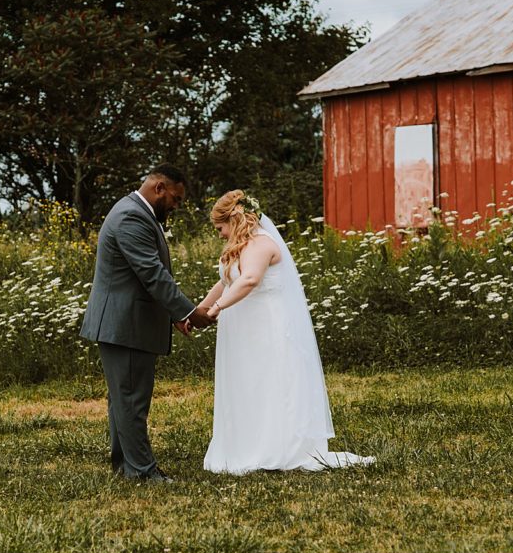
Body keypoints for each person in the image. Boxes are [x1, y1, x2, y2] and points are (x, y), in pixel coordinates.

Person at [198, 190, 375, 475]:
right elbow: (227, 282)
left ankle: (275, 446)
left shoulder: (262, 245)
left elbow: (250, 279)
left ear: (234, 219)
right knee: (247, 383)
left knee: (269, 381)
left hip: (266, 328)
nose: (219, 235)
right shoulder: (239, 248)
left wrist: (218, 308)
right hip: (243, 331)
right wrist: (199, 310)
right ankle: (246, 442)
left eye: (220, 228)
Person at [80, 164, 216, 482]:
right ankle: (142, 471)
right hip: (125, 324)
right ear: (159, 187)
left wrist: (172, 315)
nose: (176, 206)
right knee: (130, 400)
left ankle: (125, 466)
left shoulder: (135, 212)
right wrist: (187, 311)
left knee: (123, 400)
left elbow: (145, 277)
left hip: (126, 321)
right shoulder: (131, 216)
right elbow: (152, 274)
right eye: (175, 198)